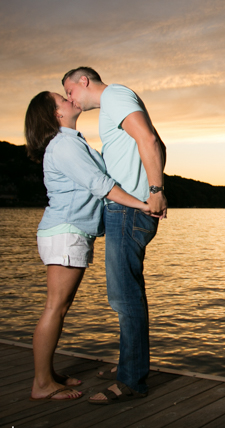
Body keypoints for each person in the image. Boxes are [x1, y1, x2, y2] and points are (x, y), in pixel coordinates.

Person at [24, 91, 156, 401]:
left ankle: (48, 374)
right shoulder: (65, 144)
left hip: (69, 232)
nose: (70, 100)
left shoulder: (72, 141)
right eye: (62, 100)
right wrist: (142, 204)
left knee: (60, 306)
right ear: (55, 115)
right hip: (66, 232)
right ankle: (41, 384)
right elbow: (101, 184)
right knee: (56, 307)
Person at [62, 67, 167, 405]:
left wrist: (155, 190)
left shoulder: (116, 96)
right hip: (129, 209)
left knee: (125, 298)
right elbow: (157, 142)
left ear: (84, 81)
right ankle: (129, 364)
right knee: (125, 295)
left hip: (129, 211)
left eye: (69, 92)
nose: (70, 100)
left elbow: (149, 140)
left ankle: (132, 380)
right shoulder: (114, 105)